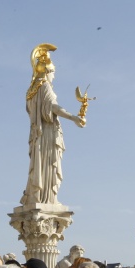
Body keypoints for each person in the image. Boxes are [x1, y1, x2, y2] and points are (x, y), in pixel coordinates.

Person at [20, 44, 86, 206]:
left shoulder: (32, 91)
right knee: (48, 164)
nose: (54, 76)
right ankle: (47, 198)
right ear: (47, 71)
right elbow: (53, 107)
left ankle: (38, 195)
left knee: (40, 165)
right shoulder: (45, 87)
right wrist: (74, 118)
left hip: (38, 136)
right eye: (53, 73)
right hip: (47, 134)